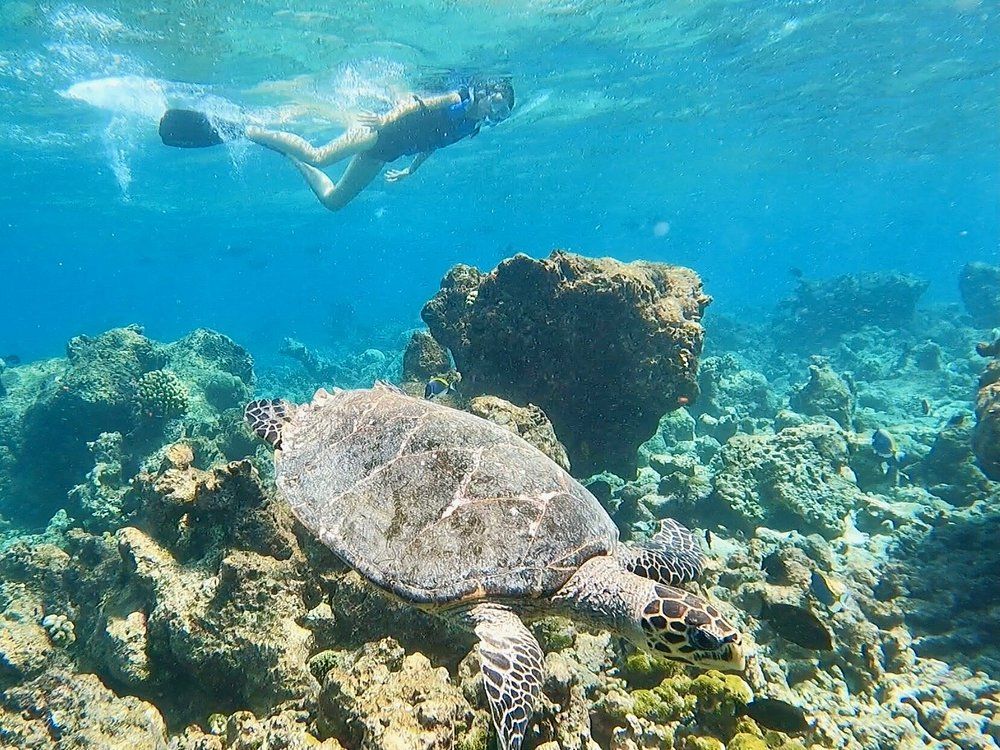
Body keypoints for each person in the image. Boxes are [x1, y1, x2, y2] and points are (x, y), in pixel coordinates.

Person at [158, 77, 514, 211]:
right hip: (378, 130)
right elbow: (416, 103)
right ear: (485, 93)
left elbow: (432, 144)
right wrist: (388, 117)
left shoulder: (471, 128)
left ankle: (287, 154)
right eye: (495, 104)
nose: (494, 113)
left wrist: (409, 170)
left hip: (386, 154)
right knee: (320, 155)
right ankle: (250, 129)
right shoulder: (456, 97)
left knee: (334, 201)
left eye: (500, 113)